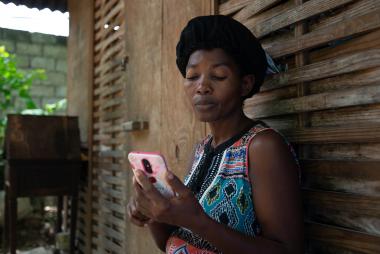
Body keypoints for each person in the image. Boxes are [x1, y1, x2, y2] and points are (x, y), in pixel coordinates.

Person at [127, 15, 304, 254]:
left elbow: (288, 250)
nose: (201, 87)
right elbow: (173, 242)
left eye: (219, 76)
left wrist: (198, 222)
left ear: (245, 84)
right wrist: (155, 214)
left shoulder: (262, 147)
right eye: (192, 77)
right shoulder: (202, 149)